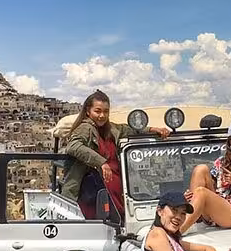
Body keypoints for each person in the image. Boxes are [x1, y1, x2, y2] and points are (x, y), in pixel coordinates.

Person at [61, 90, 170, 219]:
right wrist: (101, 162)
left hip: (115, 190)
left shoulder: (110, 129)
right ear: (88, 111)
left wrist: (152, 130)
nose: (102, 115)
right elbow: (73, 146)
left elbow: (127, 129)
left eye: (106, 111)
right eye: (98, 111)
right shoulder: (85, 128)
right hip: (94, 194)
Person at [180, 120, 231, 233]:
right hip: (217, 208)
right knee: (200, 169)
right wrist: (191, 196)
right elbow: (211, 187)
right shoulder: (221, 161)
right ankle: (191, 212)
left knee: (201, 192)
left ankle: (177, 232)